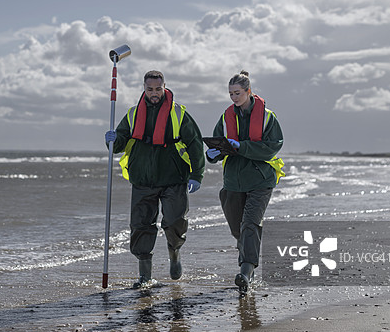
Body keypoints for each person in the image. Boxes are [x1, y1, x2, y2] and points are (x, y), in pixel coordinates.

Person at [105, 70, 205, 288]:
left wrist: (197, 175)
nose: (154, 93)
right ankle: (145, 275)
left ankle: (175, 252)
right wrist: (112, 139)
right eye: (150, 89)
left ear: (164, 87)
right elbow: (120, 142)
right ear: (144, 88)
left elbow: (195, 144)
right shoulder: (133, 114)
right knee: (140, 225)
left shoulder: (178, 113)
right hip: (143, 179)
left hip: (174, 178)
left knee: (175, 222)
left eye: (158, 89)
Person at [206, 70, 284, 295]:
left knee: (250, 224)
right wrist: (212, 154)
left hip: (261, 180)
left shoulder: (268, 117)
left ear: (248, 92)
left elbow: (274, 146)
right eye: (230, 94)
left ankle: (245, 274)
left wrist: (242, 146)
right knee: (238, 229)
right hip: (232, 181)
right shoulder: (225, 117)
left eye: (237, 93)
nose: (233, 98)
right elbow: (218, 146)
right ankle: (247, 264)